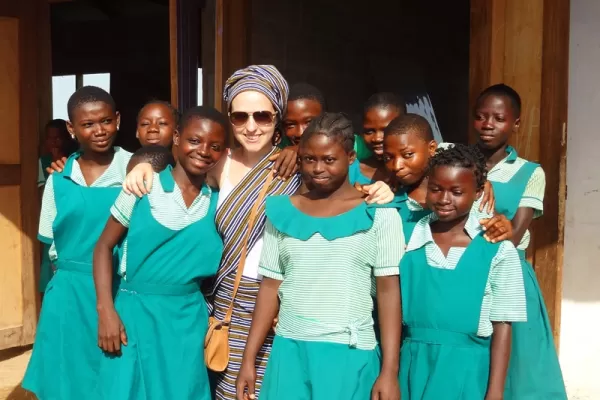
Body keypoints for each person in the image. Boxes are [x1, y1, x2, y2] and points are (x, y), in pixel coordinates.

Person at [123, 66, 393, 400]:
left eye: (263, 116)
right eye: (240, 117)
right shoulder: (217, 161)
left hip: (280, 306)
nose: (251, 126)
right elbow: (180, 166)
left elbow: (344, 189)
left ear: (277, 117)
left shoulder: (299, 165)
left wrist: (380, 188)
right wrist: (145, 166)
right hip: (224, 303)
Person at [237, 113, 402, 400]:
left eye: (328, 159)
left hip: (350, 355)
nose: (317, 168)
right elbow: (270, 287)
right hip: (290, 352)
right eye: (308, 159)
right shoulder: (281, 212)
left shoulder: (379, 214)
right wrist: (248, 359)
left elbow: (389, 295)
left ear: (350, 157)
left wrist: (389, 371)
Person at [93, 106, 228, 400]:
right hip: (134, 313)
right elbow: (103, 246)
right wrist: (106, 310)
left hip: (187, 321)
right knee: (127, 390)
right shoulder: (143, 186)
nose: (203, 151)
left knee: (182, 391)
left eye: (214, 146)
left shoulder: (218, 200)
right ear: (177, 137)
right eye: (195, 140)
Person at [22, 86, 132, 400]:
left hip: (118, 292)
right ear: (72, 129)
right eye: (87, 124)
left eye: (106, 121)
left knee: (112, 380)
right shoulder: (58, 178)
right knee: (65, 382)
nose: (99, 131)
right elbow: (50, 247)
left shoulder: (136, 170)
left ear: (118, 120)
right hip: (68, 296)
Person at [400, 144, 526, 399]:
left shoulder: (496, 249)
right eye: (436, 189)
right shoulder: (408, 241)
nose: (444, 199)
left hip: (470, 371)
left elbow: (503, 325)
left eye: (457, 192)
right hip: (412, 365)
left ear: (479, 192)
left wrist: (495, 393)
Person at [473, 84, 567, 399]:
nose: (488, 124)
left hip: (507, 275)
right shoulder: (452, 159)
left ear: (516, 123)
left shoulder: (530, 172)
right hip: (460, 271)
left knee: (518, 372)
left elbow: (513, 235)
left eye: (498, 118)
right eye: (481, 117)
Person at [382, 113, 510, 242]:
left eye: (408, 154)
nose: (397, 166)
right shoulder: (390, 199)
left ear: (432, 148)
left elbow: (493, 232)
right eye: (388, 158)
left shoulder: (474, 195)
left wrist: (499, 227)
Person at [37, 119, 78, 294]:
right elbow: (40, 193)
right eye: (50, 138)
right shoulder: (43, 161)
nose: (54, 142)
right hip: (53, 219)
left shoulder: (76, 159)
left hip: (73, 218)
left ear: (68, 137)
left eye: (59, 138)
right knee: (50, 257)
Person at [350, 92, 406, 185]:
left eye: (386, 130)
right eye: (369, 131)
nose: (377, 138)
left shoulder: (419, 171)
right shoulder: (350, 173)